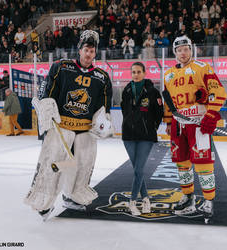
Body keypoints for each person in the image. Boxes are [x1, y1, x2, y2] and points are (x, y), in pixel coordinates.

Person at [24, 30, 113, 220]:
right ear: (80, 50)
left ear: (95, 53)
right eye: (86, 49)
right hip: (61, 130)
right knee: (53, 165)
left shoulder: (102, 77)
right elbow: (47, 92)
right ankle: (45, 202)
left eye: (92, 51)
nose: (89, 54)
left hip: (83, 133)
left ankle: (70, 195)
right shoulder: (61, 67)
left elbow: (104, 107)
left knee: (78, 166)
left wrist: (104, 122)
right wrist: (46, 110)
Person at [163, 35, 227, 220]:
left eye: (186, 49)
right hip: (178, 125)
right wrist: (168, 122)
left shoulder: (202, 67)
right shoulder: (168, 75)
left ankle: (208, 200)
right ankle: (187, 196)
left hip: (198, 124)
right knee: (182, 163)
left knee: (203, 163)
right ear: (174, 53)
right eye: (179, 50)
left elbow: (218, 92)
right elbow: (168, 102)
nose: (183, 53)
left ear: (191, 50)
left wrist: (211, 113)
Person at [121, 62, 163, 215]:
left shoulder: (153, 91)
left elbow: (159, 114)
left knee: (139, 169)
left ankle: (132, 202)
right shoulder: (126, 90)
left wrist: (151, 128)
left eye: (139, 72)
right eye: (133, 72)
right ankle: (146, 198)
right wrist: (128, 124)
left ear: (144, 73)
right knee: (137, 170)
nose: (136, 74)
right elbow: (124, 110)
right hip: (128, 136)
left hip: (146, 136)